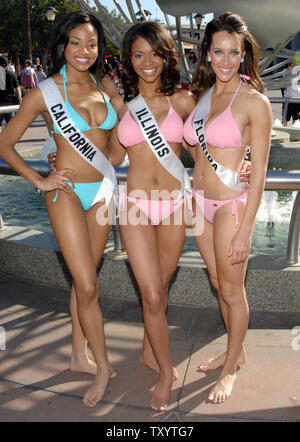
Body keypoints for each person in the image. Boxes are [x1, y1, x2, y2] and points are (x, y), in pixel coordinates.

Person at [109, 21, 250, 411]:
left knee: (163, 285)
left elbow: (206, 149)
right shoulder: (123, 105)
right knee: (151, 293)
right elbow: (110, 158)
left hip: (174, 206)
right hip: (135, 204)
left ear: (166, 55)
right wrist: (59, 158)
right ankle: (165, 370)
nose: (147, 62)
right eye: (138, 55)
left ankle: (146, 351)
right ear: (129, 60)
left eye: (155, 53)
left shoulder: (186, 102)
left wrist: (244, 164)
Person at [0, 10, 118, 408]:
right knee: (87, 285)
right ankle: (102, 367)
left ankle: (76, 355)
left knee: (84, 278)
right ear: (62, 46)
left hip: (101, 191)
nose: (84, 51)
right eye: (75, 43)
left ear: (99, 48)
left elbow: (118, 145)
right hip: (64, 191)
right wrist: (39, 179)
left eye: (92, 43)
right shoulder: (44, 91)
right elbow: (5, 144)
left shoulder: (106, 87)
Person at [183, 12, 272, 403]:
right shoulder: (203, 94)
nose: (225, 60)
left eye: (233, 52)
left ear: (243, 54)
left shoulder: (255, 101)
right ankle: (237, 350)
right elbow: (192, 145)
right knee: (219, 284)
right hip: (198, 203)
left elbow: (263, 169)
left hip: (229, 208)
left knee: (233, 292)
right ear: (206, 53)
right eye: (217, 51)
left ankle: (231, 369)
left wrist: (248, 228)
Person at [0, 55, 22, 133]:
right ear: (6, 64)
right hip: (10, 103)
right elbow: (17, 88)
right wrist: (20, 99)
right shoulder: (12, 74)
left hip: (0, 103)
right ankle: (8, 142)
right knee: (10, 125)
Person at [283, 59, 300, 124]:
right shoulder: (286, 70)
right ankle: (285, 128)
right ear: (290, 62)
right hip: (289, 97)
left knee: (296, 118)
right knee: (286, 117)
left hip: (297, 97)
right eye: (293, 61)